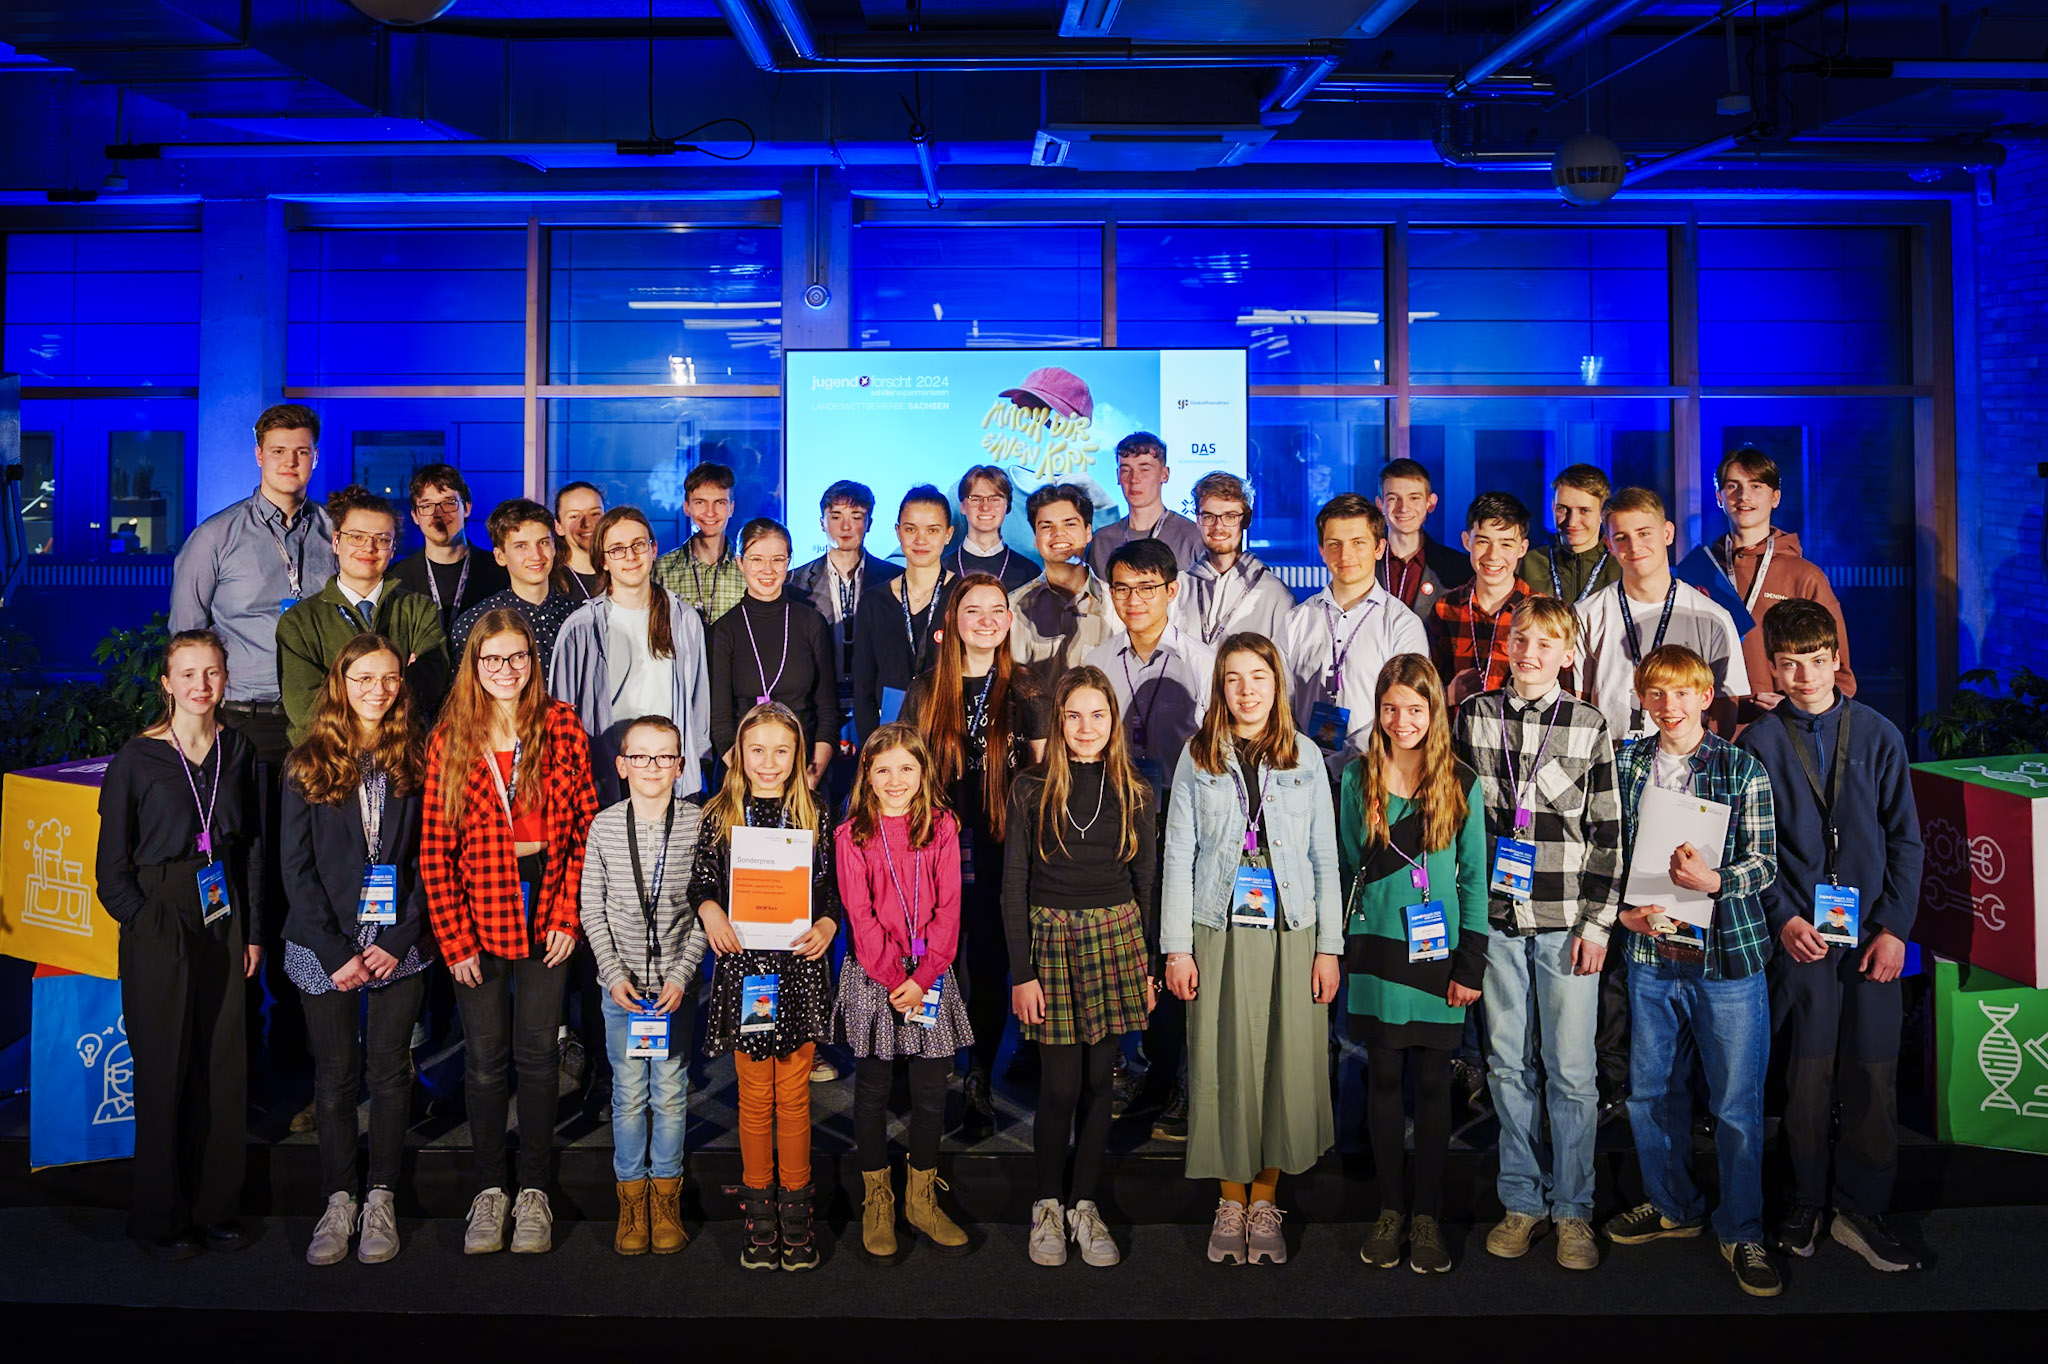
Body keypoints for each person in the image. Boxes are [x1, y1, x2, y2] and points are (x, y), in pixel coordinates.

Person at [1737, 600, 1922, 1272]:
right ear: (1774, 670)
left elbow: (1905, 839)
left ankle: (1861, 1208)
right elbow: (1750, 849)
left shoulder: (1878, 734)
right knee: (1806, 1076)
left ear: (1836, 660)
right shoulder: (1757, 745)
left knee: (1872, 1073)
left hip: (1870, 933)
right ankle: (1806, 1201)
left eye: (1816, 660)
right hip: (1800, 938)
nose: (1804, 674)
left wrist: (1895, 929)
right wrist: (1783, 915)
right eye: (1789, 663)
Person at [1603, 644, 1781, 1298]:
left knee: (1736, 1104)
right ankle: (1674, 1205)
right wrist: (1620, 914)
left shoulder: (1741, 767)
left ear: (1706, 696)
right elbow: (1607, 850)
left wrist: (1716, 879)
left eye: (1682, 694)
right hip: (1650, 954)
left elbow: (1765, 863)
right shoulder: (1624, 763)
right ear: (1644, 699)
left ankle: (1743, 1231)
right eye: (1657, 694)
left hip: (1726, 960)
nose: (1669, 707)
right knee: (1650, 1092)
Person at [1450, 597, 1622, 1273]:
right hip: (1495, 923)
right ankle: (1521, 1199)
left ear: (1568, 655)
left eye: (1546, 643)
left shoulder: (1588, 725)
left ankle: (1574, 1209)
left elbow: (1609, 835)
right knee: (1505, 1066)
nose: (1530, 652)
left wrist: (1598, 924)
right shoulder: (1474, 715)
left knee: (1573, 1073)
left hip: (1564, 922)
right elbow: (1455, 822)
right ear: (1506, 645)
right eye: (1522, 639)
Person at [420, 609, 599, 1257]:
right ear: (474, 663)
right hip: (480, 909)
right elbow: (435, 848)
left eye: (517, 657)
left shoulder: (561, 725)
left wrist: (566, 914)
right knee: (486, 1058)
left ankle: (534, 1190)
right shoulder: (451, 737)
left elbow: (582, 827)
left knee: (538, 1055)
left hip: (547, 898)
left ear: (533, 659)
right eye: (492, 658)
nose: (506, 670)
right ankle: (489, 1189)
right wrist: (454, 938)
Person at [1161, 633, 1341, 1266]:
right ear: (1220, 689)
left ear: (1277, 683)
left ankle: (1266, 1197)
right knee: (1221, 1062)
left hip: (1291, 926)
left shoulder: (1308, 757)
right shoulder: (1196, 756)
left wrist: (1329, 947)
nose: (1245, 690)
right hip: (1218, 924)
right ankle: (1230, 1199)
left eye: (1257, 677)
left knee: (1283, 1064)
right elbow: (1178, 853)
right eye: (1233, 678)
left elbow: (1324, 856)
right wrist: (1176, 948)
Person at [169, 403, 335, 1064]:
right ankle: (237, 1060)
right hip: (236, 729)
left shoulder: (333, 534)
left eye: (302, 451)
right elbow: (185, 642)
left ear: (315, 456)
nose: (291, 462)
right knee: (238, 881)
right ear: (258, 456)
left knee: (306, 881)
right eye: (279, 451)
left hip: (315, 731)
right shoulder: (216, 538)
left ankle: (300, 1055)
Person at [95, 629, 261, 1260]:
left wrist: (252, 933)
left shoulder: (238, 750)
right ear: (166, 684)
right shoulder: (136, 761)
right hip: (160, 911)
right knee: (165, 1070)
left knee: (222, 1067)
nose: (200, 686)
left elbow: (251, 850)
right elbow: (110, 872)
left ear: (226, 678)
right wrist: (147, 925)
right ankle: (161, 1218)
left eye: (211, 673)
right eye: (187, 674)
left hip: (223, 909)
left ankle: (215, 1208)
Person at [280, 634, 434, 1267]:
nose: (378, 689)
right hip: (326, 947)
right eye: (364, 677)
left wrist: (397, 941)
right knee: (337, 1078)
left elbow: (431, 862)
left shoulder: (418, 758)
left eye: (390, 678)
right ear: (340, 684)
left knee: (390, 1073)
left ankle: (381, 1195)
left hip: (400, 945)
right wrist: (338, 949)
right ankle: (338, 1197)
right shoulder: (305, 762)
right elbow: (296, 869)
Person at [1005, 667, 1159, 1270]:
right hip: (1050, 940)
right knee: (1059, 1085)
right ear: (1058, 721)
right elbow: (1013, 885)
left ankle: (1084, 1204)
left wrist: (1145, 968)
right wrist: (1022, 972)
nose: (1086, 728)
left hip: (1116, 938)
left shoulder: (1138, 791)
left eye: (1098, 715)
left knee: (1101, 1083)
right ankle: (1047, 1203)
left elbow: (1146, 883)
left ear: (1113, 722)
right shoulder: (1028, 787)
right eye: (1073, 716)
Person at [1340, 655, 1488, 1275]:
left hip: (1437, 954)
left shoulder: (1460, 781)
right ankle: (1391, 1209)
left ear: (1435, 713)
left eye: (1416, 709)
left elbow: (1476, 879)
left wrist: (1471, 964)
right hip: (1377, 949)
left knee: (1432, 1085)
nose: (1403, 720)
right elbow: (1350, 864)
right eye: (1391, 708)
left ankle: (1427, 1213)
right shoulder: (1356, 780)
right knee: (1381, 1079)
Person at [689, 702, 842, 1272]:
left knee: (795, 1095)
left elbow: (830, 891)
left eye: (782, 750)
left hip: (799, 969)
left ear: (798, 754)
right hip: (747, 970)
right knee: (754, 1098)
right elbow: (701, 882)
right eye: (758, 750)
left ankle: (796, 1212)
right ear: (739, 756)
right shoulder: (719, 814)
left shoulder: (817, 814)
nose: (770, 762)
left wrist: (828, 922)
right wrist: (709, 910)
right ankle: (759, 1210)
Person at [902, 573, 1048, 1141]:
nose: (986, 619)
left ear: (1009, 621)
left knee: (987, 965)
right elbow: (905, 772)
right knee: (934, 960)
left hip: (1000, 848)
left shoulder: (1027, 688)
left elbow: (1039, 777)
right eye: (973, 610)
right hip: (935, 845)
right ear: (953, 621)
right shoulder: (926, 688)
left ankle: (979, 1078)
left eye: (997, 610)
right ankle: (931, 1072)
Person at [833, 723, 975, 1260]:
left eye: (907, 769)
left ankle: (921, 1199)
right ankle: (878, 1201)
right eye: (883, 769)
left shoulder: (941, 828)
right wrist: (898, 978)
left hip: (930, 977)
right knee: (871, 1089)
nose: (895, 781)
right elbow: (861, 919)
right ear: (867, 775)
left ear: (924, 773)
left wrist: (923, 978)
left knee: (931, 1092)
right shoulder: (852, 837)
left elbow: (948, 911)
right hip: (876, 978)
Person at [578, 715, 707, 1257]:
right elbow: (591, 906)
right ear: (622, 765)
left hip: (675, 989)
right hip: (623, 991)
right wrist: (611, 974)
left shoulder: (700, 824)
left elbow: (709, 910)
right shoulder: (605, 827)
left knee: (672, 1095)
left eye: (664, 757)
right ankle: (632, 1200)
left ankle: (665, 1198)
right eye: (641, 756)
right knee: (629, 1095)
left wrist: (682, 974)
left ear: (680, 766)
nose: (652, 766)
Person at [550, 507, 713, 804]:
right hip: (606, 777)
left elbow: (699, 701)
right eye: (617, 549)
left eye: (639, 545)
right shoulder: (581, 627)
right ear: (602, 560)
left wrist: (695, 762)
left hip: (671, 775)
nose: (630, 556)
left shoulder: (684, 618)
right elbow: (560, 715)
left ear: (653, 549)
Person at [1574, 487, 1748, 743]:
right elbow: (1579, 701)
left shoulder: (1713, 616)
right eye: (1621, 537)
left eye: (1644, 533)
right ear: (1608, 544)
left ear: (1667, 533)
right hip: (1608, 761)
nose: (1634, 546)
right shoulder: (1586, 613)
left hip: (1684, 762)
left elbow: (1725, 708)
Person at [277, 485, 449, 744]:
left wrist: (338, 685)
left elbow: (431, 683)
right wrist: (397, 678)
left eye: (381, 539)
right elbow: (304, 707)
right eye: (356, 537)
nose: (369, 548)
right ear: (336, 541)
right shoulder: (300, 621)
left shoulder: (418, 609)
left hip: (399, 760)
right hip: (325, 762)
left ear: (392, 549)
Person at [1699, 447, 1857, 726]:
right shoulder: (1700, 571)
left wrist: (1798, 705)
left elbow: (1840, 674)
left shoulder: (1805, 576)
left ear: (1775, 497)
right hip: (1706, 732)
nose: (1743, 496)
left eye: (1755, 486)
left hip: (1781, 729)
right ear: (1719, 498)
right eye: (1732, 486)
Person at [1280, 493, 1429, 774]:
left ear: (1379, 548)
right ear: (1321, 550)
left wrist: (1342, 764)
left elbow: (1407, 711)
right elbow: (1282, 703)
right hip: (1301, 772)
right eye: (1334, 544)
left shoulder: (1402, 625)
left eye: (1358, 543)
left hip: (1376, 773)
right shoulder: (1295, 621)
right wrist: (1307, 759)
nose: (1345, 555)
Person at [789, 479, 903, 790]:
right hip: (817, 705)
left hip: (876, 704)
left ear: (869, 522)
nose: (845, 526)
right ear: (821, 521)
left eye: (856, 516)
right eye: (836, 515)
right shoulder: (796, 583)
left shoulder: (893, 579)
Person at [710, 518, 839, 789]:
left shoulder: (811, 622)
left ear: (789, 561)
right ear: (740, 562)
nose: (767, 570)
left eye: (777, 559)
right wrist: (754, 781)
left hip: (805, 775)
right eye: (756, 559)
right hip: (743, 778)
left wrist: (811, 777)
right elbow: (720, 723)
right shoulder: (724, 629)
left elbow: (827, 711)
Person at [1087, 537, 1213, 795]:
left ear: (1171, 591)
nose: (1133, 601)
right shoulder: (1096, 663)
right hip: (1112, 798)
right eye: (1122, 589)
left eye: (1147, 588)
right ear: (1112, 593)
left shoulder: (1204, 662)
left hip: (1183, 801)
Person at [851, 484, 958, 742]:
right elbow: (863, 688)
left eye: (932, 530)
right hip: (889, 741)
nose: (920, 540)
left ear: (948, 534)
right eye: (911, 529)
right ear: (898, 531)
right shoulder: (874, 601)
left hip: (951, 738)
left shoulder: (965, 595)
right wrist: (873, 750)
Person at [1010, 483, 1123, 695]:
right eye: (1046, 526)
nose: (1058, 534)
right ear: (1035, 539)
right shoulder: (1012, 608)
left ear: (1088, 532)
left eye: (1069, 524)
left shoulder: (1118, 604)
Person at [450, 499, 583, 676]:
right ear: (500, 556)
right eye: (521, 546)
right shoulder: (473, 623)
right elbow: (463, 696)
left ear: (554, 547)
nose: (536, 555)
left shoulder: (579, 619)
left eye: (543, 542)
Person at [1426, 492, 1534, 706]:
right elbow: (1426, 687)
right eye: (1483, 541)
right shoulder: (1445, 609)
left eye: (1506, 544)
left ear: (1522, 548)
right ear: (1467, 541)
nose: (1493, 555)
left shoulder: (1541, 612)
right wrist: (1447, 695)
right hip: (1457, 735)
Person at [1177, 471, 1296, 661]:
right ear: (1198, 519)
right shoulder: (1178, 589)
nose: (1218, 526)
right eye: (1209, 516)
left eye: (1230, 516)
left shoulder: (1274, 594)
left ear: (1246, 519)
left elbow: (1284, 674)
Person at [391, 464, 509, 637]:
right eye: (426, 506)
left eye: (448, 503)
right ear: (415, 516)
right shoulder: (396, 578)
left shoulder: (499, 572)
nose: (437, 514)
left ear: (467, 508)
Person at [1086, 432, 1203, 577]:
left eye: (1144, 469)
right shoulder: (1102, 541)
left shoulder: (1192, 537)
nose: (1134, 479)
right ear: (1117, 476)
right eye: (1126, 470)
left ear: (1164, 475)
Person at [1375, 458, 1473, 617]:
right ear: (1380, 505)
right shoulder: (1363, 563)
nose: (1404, 508)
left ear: (1430, 503)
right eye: (1393, 498)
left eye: (1414, 498)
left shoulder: (1460, 569)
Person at [653, 462, 745, 623]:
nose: (710, 512)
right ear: (686, 507)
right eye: (700, 502)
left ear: (731, 508)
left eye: (720, 503)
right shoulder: (661, 570)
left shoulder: (748, 570)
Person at [1520, 463, 1620, 606]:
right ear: (1553, 507)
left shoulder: (1621, 567)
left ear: (1603, 512)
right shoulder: (1528, 565)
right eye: (1563, 509)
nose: (1572, 522)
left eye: (1584, 510)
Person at [952, 464, 1039, 590]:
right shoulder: (941, 569)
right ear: (962, 506)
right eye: (975, 499)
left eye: (995, 499)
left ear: (1007, 506)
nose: (985, 507)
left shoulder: (1030, 573)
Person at [553, 481, 607, 600]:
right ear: (559, 527)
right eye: (574, 516)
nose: (587, 523)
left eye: (595, 513)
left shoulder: (622, 570)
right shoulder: (550, 582)